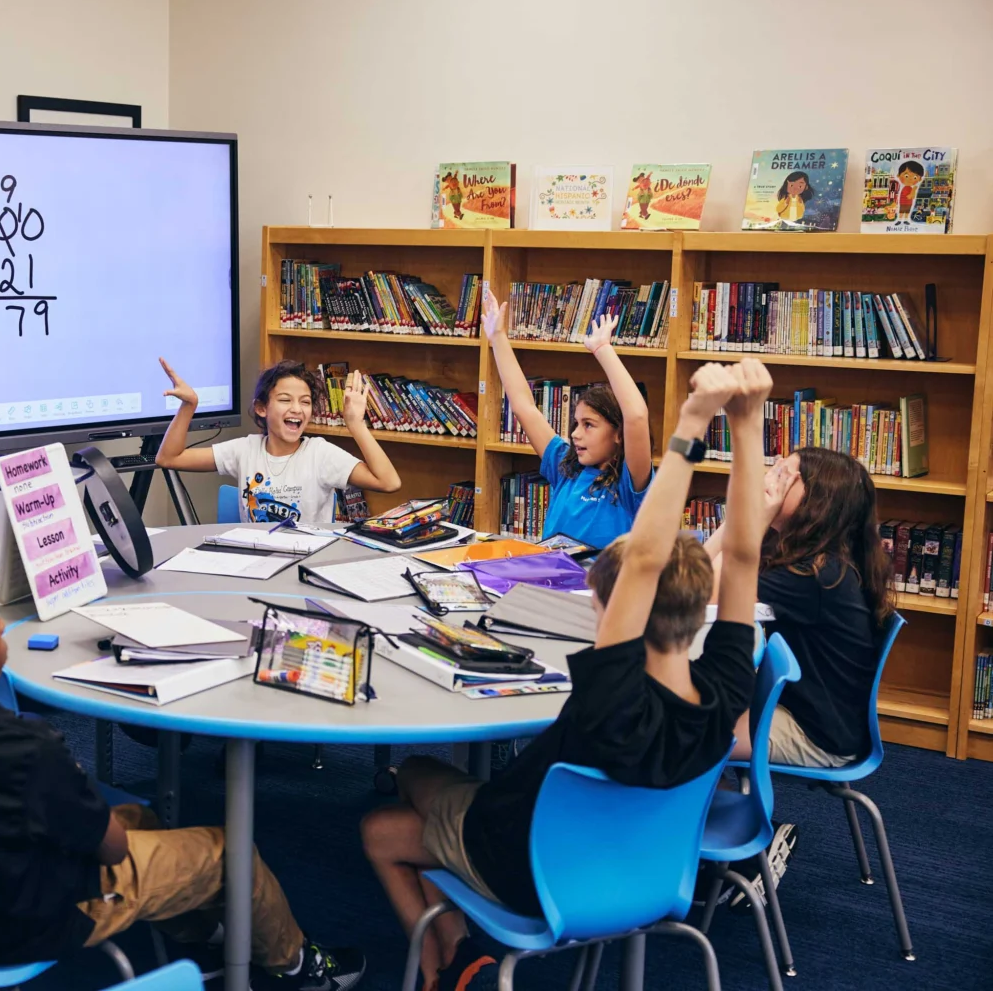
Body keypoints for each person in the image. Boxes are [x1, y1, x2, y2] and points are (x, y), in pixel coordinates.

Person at [360, 360, 769, 991]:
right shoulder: (722, 691)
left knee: (381, 824)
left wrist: (695, 421)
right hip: (646, 869)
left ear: (612, 610)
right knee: (415, 776)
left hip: (523, 861)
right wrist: (747, 423)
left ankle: (446, 964)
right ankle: (459, 957)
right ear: (700, 608)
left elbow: (647, 564)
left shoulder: (613, 699)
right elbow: (743, 552)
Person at [0, 543, 367, 989]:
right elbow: (112, 848)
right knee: (229, 851)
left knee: (142, 821)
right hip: (35, 912)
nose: (1, 623)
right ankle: (299, 969)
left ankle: (211, 939)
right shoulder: (26, 749)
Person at [702, 446, 896, 769]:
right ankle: (713, 809)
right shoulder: (794, 551)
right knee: (684, 704)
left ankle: (720, 814)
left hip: (816, 733)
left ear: (816, 503)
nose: (772, 478)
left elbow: (706, 590)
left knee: (679, 726)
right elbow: (695, 580)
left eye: (786, 475)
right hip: (799, 709)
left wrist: (752, 517)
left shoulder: (818, 574)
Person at [483, 287, 654, 550]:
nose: (575, 433)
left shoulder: (630, 484)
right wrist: (498, 338)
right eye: (576, 423)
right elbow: (524, 406)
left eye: (589, 425)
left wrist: (603, 349)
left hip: (594, 590)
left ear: (619, 434)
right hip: (548, 582)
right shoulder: (566, 467)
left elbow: (637, 415)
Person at [155, 358, 401, 524]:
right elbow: (169, 458)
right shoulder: (245, 450)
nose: (297, 409)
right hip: (257, 566)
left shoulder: (321, 453)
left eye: (305, 402)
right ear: (262, 408)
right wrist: (189, 406)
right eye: (285, 400)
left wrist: (355, 424)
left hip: (305, 566)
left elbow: (388, 482)